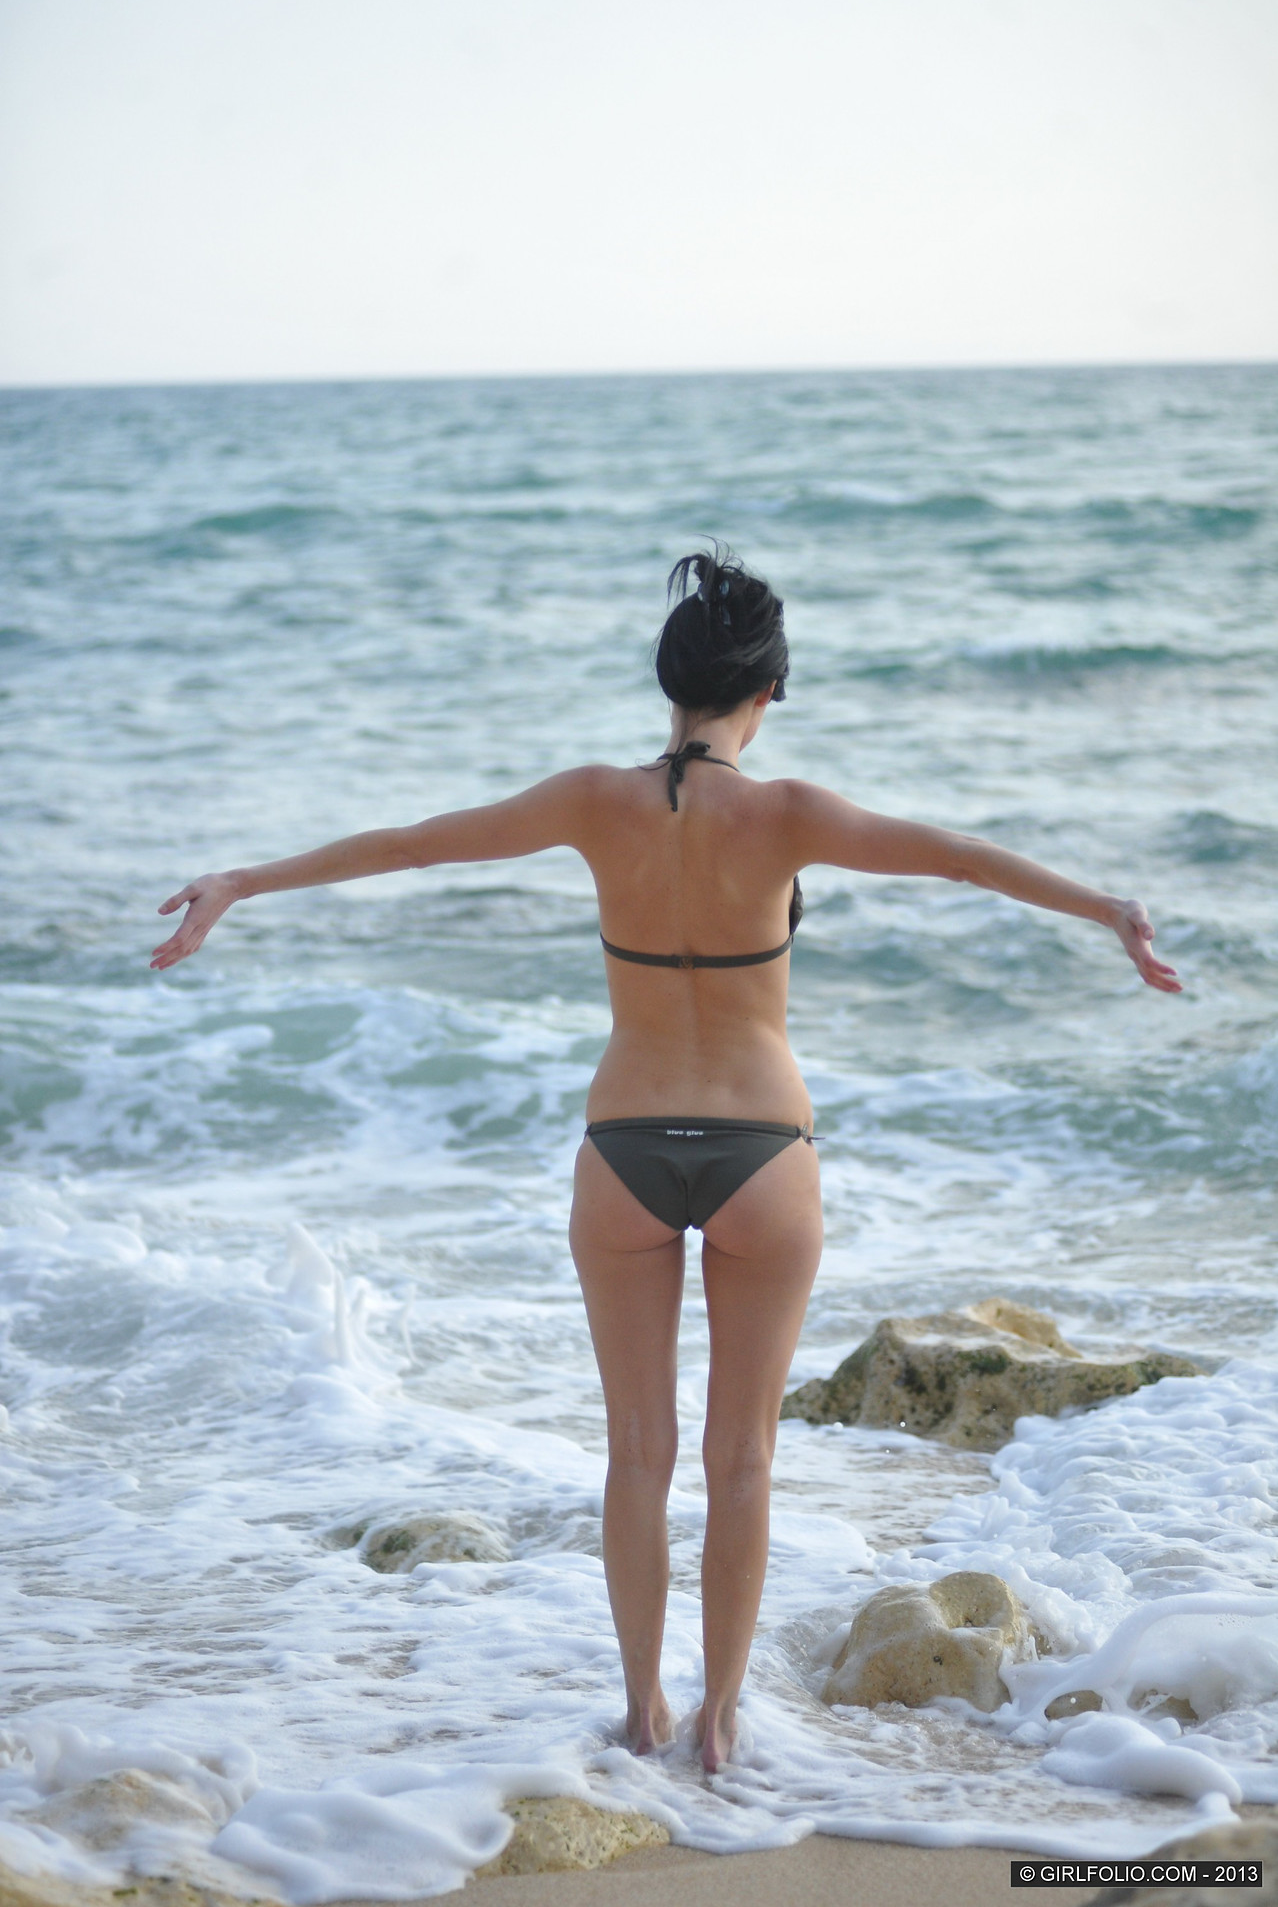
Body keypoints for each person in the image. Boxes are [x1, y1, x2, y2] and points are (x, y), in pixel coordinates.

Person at [150, 546, 1181, 1772]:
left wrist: (242, 882)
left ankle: (641, 1711)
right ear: (769, 692)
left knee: (636, 1455)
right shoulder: (790, 815)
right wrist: (1108, 910)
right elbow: (957, 855)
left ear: (668, 683)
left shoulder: (596, 801)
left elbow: (419, 845)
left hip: (625, 1150)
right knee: (741, 1459)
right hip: (764, 1155)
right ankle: (721, 1724)